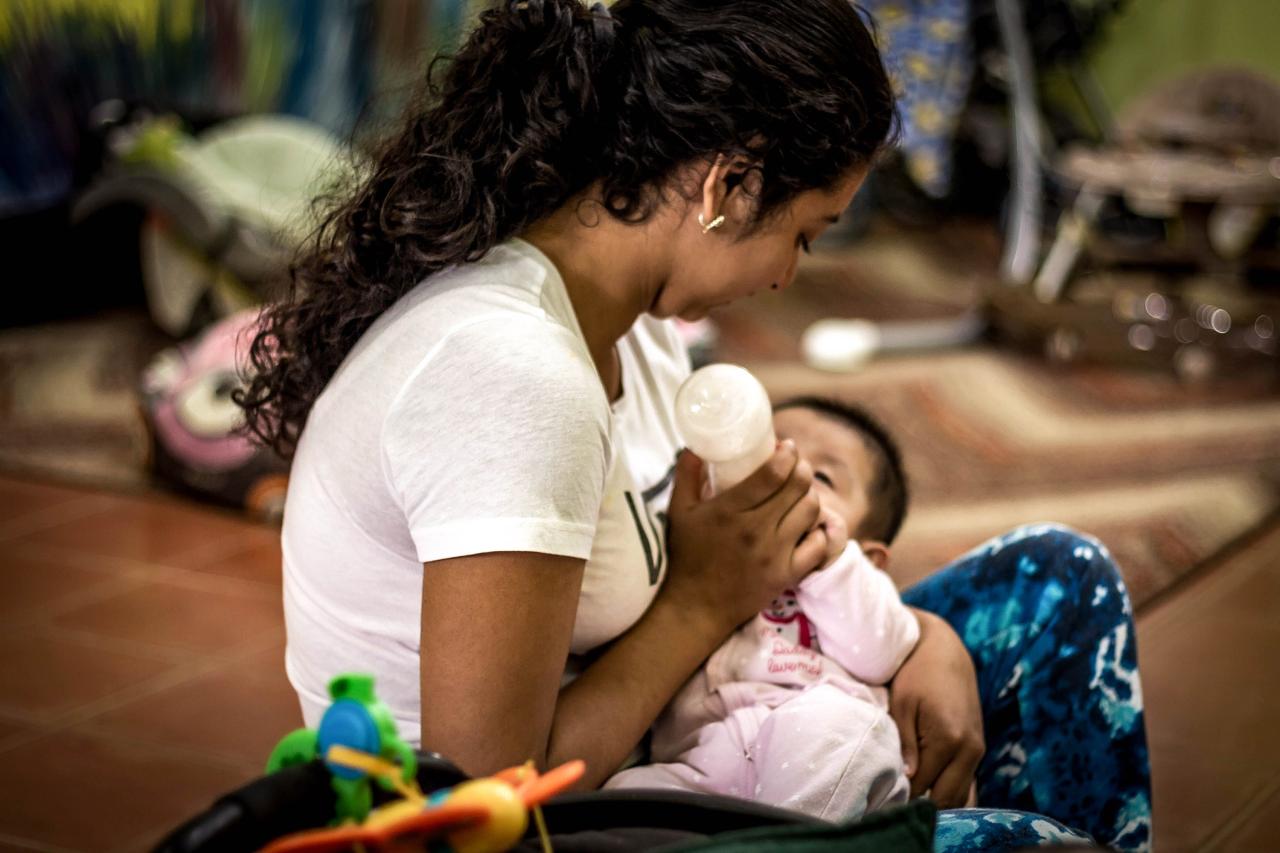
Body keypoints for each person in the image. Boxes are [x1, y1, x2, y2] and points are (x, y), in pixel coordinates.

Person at [236, 1, 1152, 850]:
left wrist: (922, 640)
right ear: (729, 183)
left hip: (686, 727)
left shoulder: (636, 332)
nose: (790, 274)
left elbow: (719, 576)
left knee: (1056, 582)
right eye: (803, 234)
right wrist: (703, 600)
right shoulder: (514, 374)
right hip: (565, 825)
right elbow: (492, 795)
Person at [606, 398, 927, 821]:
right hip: (698, 763)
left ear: (870, 556)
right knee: (616, 801)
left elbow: (882, 651)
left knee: (837, 730)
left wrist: (832, 563)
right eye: (769, 456)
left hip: (820, 756)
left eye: (823, 477)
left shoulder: (857, 582)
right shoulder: (698, 555)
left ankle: (788, 841)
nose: (788, 480)